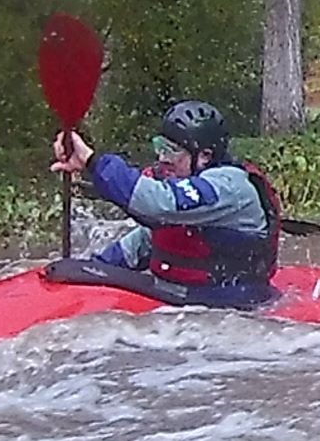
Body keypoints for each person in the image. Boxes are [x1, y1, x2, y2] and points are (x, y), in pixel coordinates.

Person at [47, 100, 284, 308]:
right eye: (160, 146)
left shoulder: (228, 186)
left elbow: (158, 203)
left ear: (205, 156)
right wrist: (88, 270)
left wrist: (92, 161)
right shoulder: (189, 190)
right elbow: (145, 240)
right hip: (189, 299)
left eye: (172, 151)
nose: (162, 158)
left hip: (237, 306)